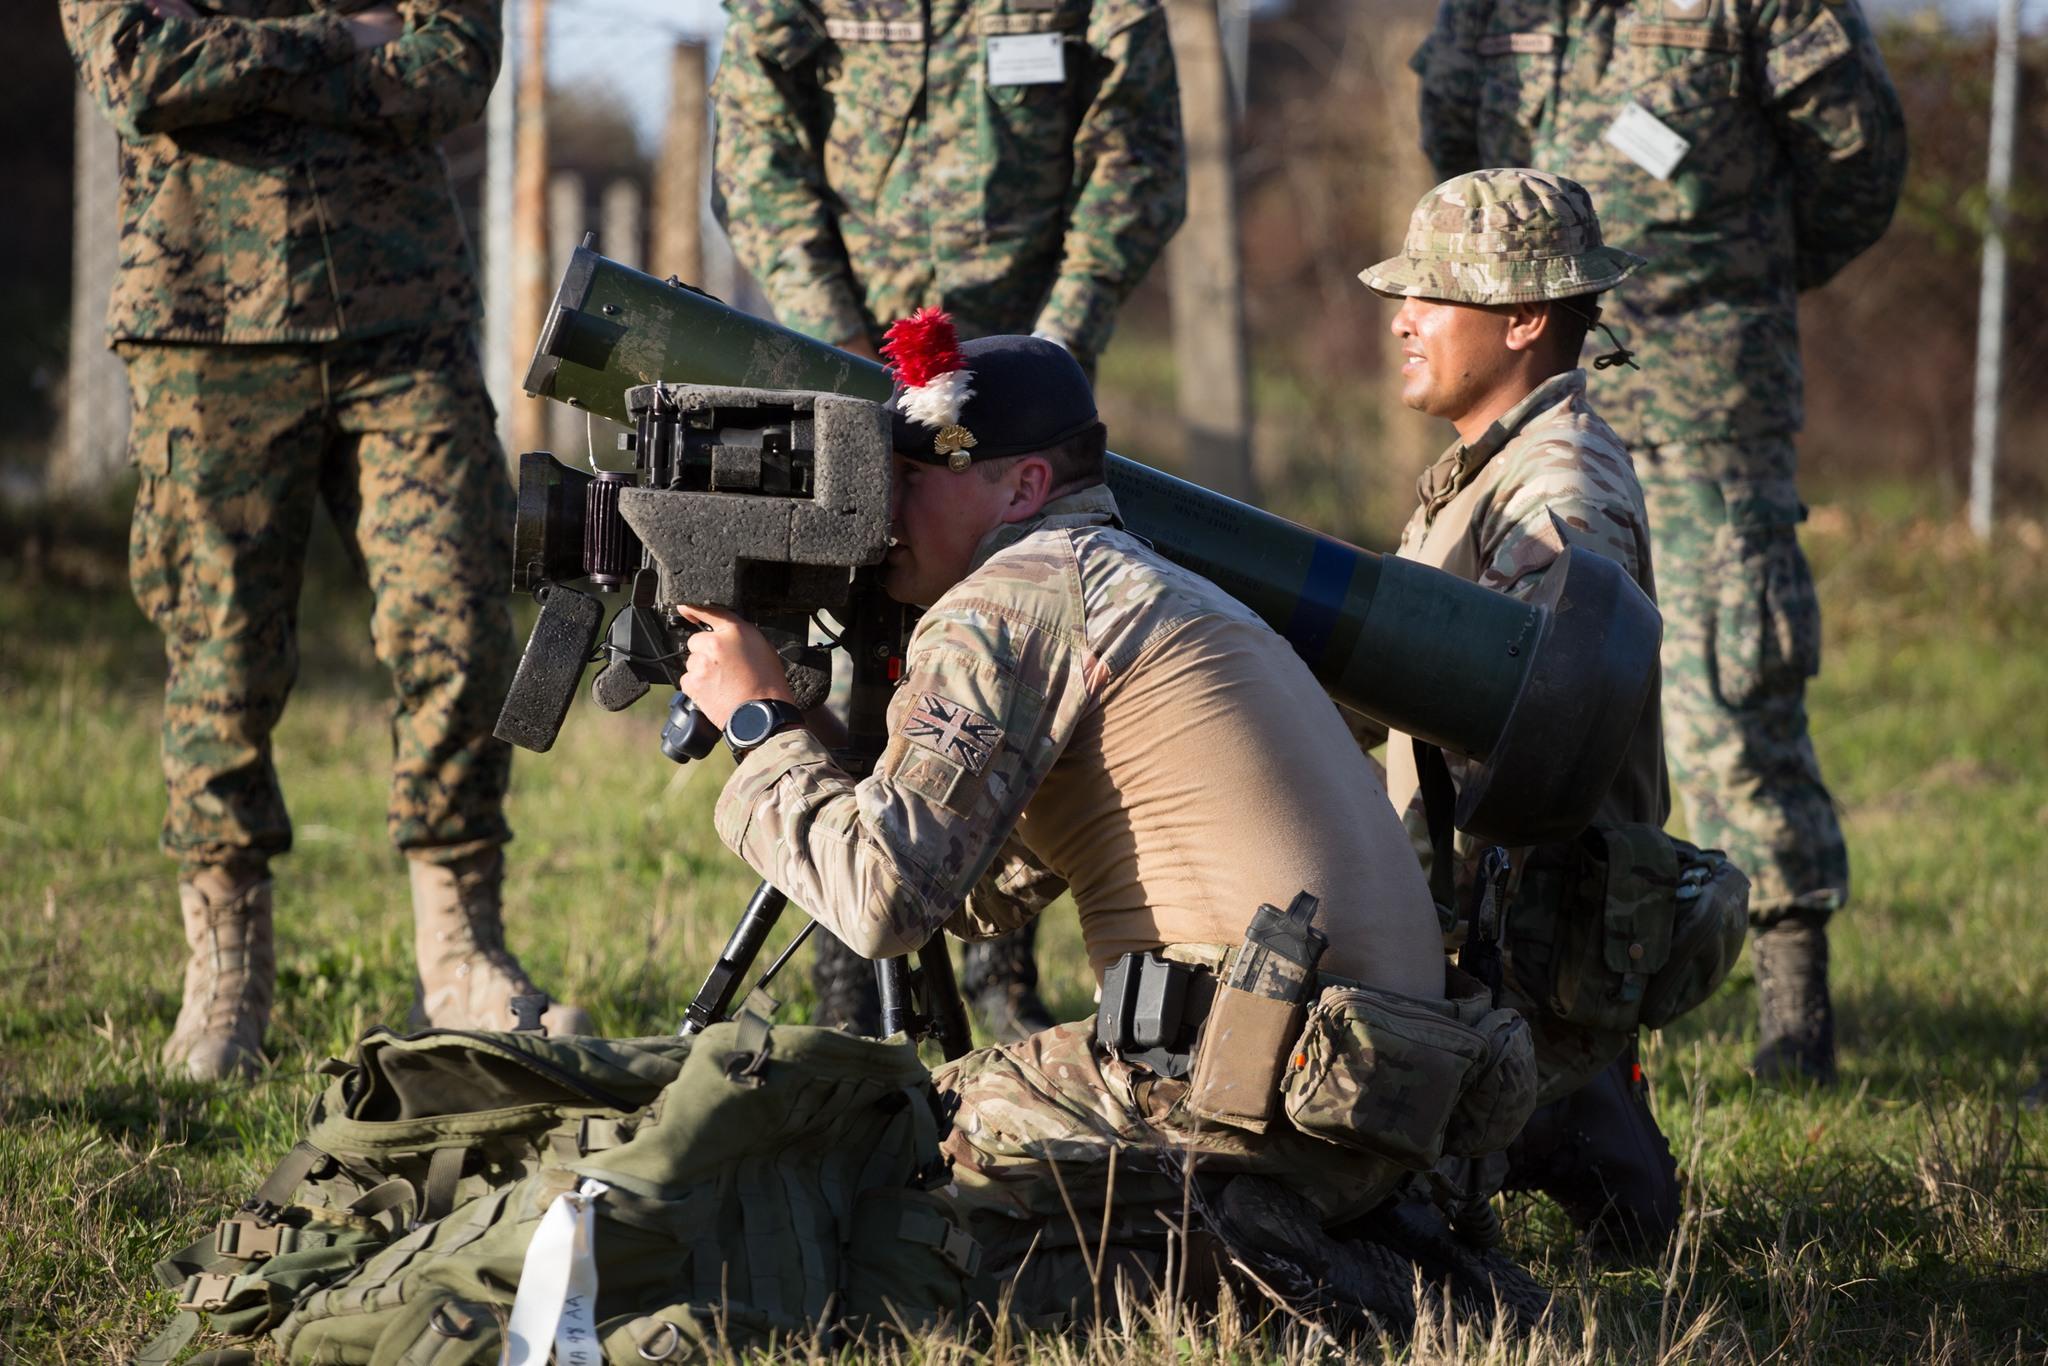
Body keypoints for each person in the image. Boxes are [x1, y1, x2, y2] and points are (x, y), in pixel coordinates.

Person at [673, 316, 1532, 1320]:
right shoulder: (1144, 589)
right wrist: (812, 728)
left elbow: (881, 900)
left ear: (1022, 487)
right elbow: (972, 889)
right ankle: (1348, 1245)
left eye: (911, 472)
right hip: (1363, 1097)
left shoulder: (1013, 599)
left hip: (1230, 1087)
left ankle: (1267, 1273)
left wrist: (756, 720)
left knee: (852, 1174)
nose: (881, 504)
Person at [62, 0, 586, 1082]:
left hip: (402, 323)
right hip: (205, 319)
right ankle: (227, 973)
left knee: (459, 625)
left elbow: (449, 63)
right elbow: (139, 68)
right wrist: (342, 40)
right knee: (223, 659)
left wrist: (244, 65)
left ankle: (459, 953)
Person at [1411, 0, 1908, 1082]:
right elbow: (1454, 141)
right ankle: (1521, 980)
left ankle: (1790, 995)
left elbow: (1855, 159)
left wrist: (1740, 279)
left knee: (1731, 671)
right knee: (1497, 679)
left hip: (1702, 390)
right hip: (1523, 379)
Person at [711, 0, 1189, 1039]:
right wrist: (843, 359)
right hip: (847, 364)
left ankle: (995, 968)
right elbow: (754, 144)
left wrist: (1050, 350)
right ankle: (844, 961)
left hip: (1019, 394)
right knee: (841, 649)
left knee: (1006, 655)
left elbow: (1138, 151)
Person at [1356, 168, 1678, 1258]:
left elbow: (1546, 727)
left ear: (1523, 319)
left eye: (1431, 296)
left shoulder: (1556, 489)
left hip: (1513, 936)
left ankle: (1556, 1105)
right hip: (1479, 917)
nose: (1402, 318)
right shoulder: (1490, 468)